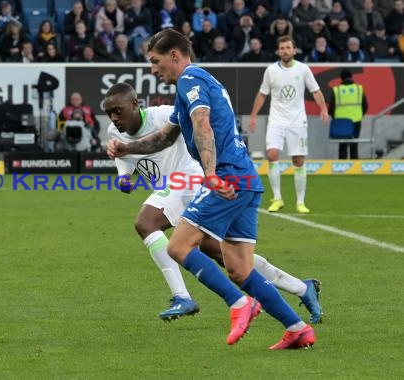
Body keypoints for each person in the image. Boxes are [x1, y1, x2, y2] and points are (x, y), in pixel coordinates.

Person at [108, 28, 316, 349]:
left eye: (155, 61)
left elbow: (202, 122)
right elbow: (164, 137)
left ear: (174, 55)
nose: (152, 69)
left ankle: (238, 304)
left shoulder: (191, 80)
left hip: (226, 177)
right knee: (239, 269)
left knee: (178, 246)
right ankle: (297, 326)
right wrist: (127, 149)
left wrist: (209, 173)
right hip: (246, 178)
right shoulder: (193, 86)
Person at [249, 35, 329, 214]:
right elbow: (262, 94)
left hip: (297, 121)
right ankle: (277, 198)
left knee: (298, 160)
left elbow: (315, 91)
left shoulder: (303, 69)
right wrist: (253, 116)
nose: (285, 51)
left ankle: (300, 202)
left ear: (294, 50)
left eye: (288, 48)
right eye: (282, 48)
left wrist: (323, 109)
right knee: (272, 154)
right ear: (278, 51)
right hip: (276, 120)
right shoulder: (271, 70)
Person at [329, 69, 368, 159]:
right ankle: (354, 169)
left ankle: (342, 168)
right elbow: (365, 105)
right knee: (354, 145)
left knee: (342, 146)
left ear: (341, 78)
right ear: (351, 76)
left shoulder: (337, 90)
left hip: (341, 122)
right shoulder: (359, 89)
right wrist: (359, 116)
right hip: (356, 121)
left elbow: (331, 108)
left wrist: (336, 118)